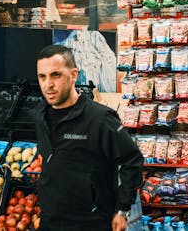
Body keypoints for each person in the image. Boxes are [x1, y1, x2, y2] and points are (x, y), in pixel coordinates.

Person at [34, 44, 143, 231]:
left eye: (56, 75)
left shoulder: (100, 119)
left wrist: (122, 209)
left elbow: (132, 160)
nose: (48, 84)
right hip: (51, 222)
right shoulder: (39, 116)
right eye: (42, 77)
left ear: (74, 75)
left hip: (91, 223)